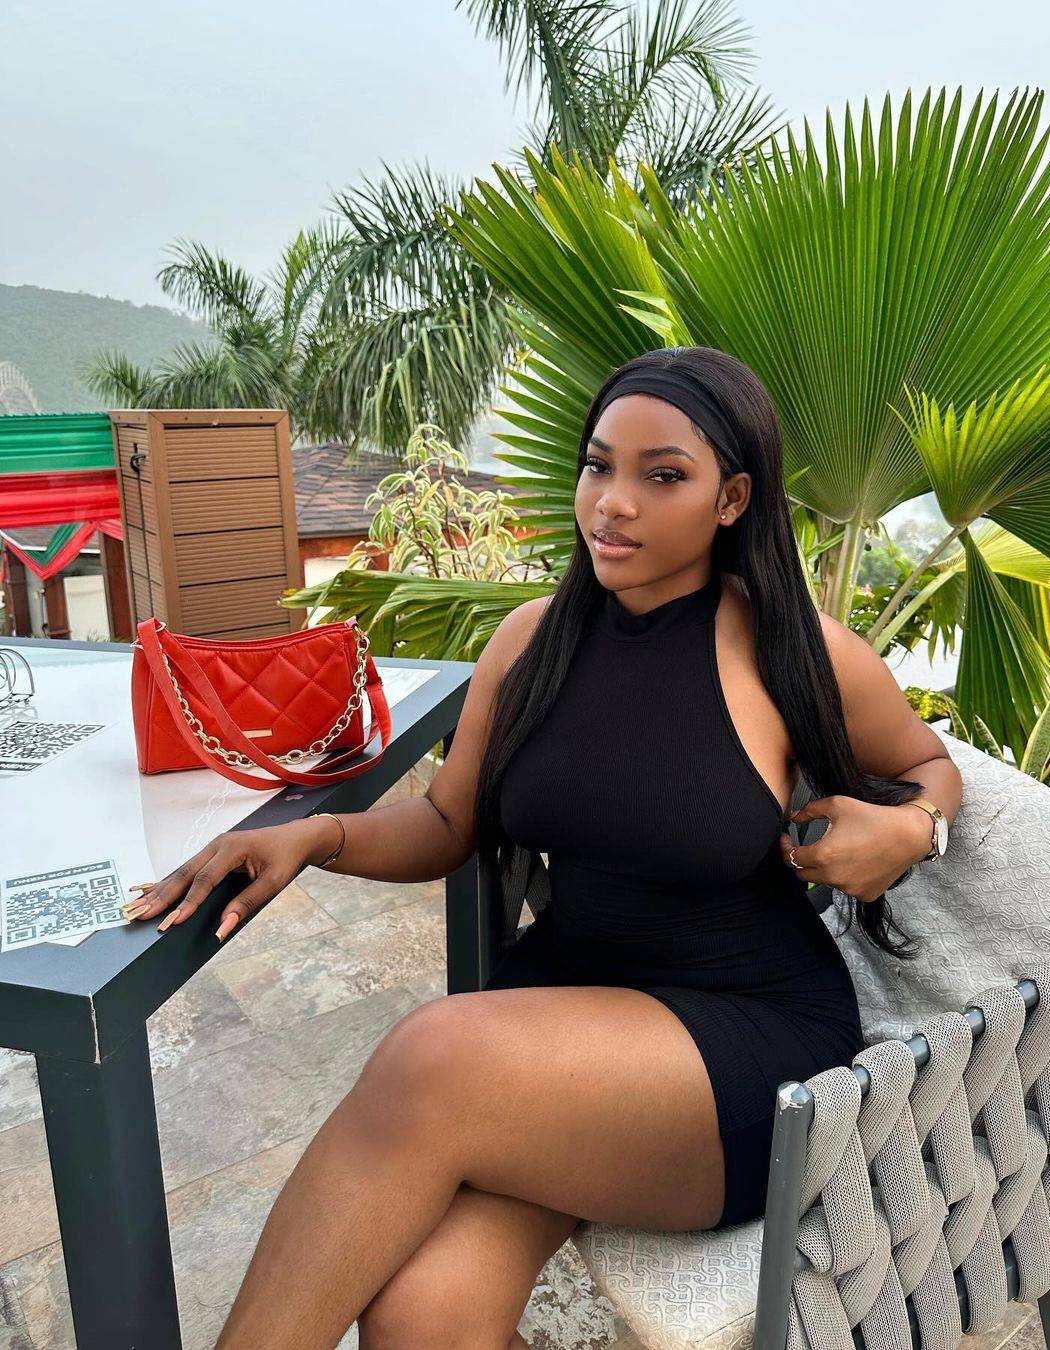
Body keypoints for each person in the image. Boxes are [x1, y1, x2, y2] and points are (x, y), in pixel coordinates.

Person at [124, 345, 963, 1350]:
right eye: (597, 465)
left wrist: (911, 827)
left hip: (745, 1042)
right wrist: (313, 837)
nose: (614, 503)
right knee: (424, 1317)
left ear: (732, 499)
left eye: (663, 476)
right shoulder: (531, 641)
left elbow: (929, 764)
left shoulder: (792, 649)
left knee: (432, 1054)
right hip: (568, 1016)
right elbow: (449, 823)